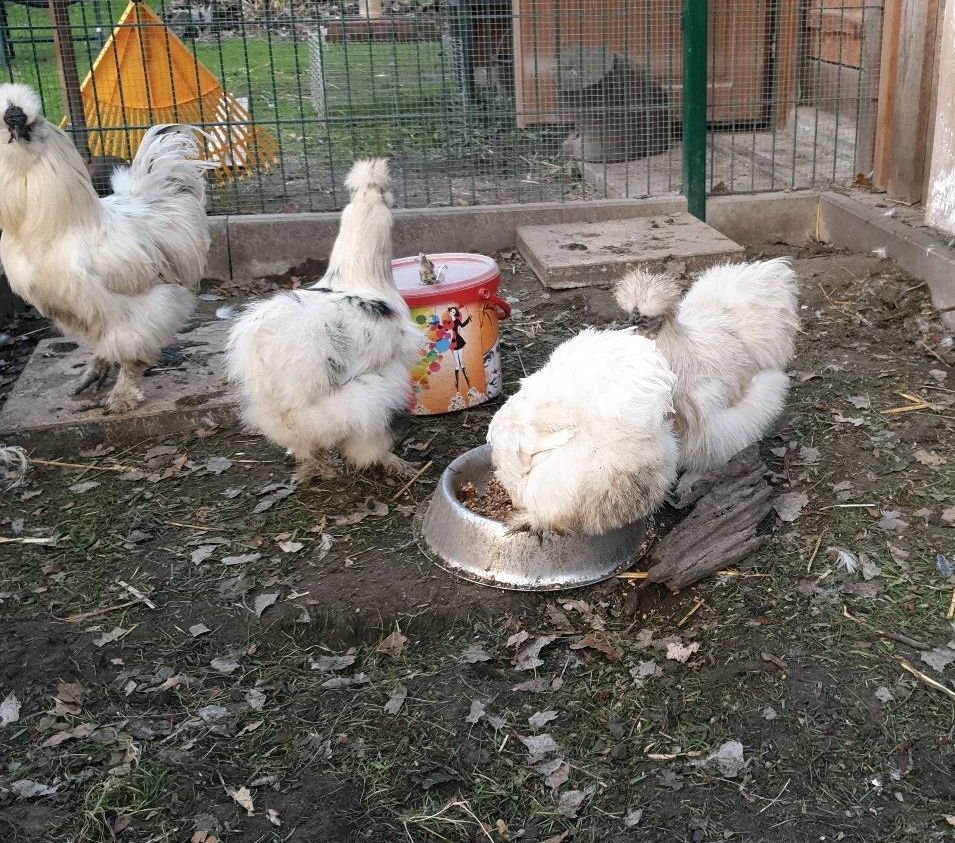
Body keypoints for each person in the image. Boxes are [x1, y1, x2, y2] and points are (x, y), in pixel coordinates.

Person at [447, 305, 472, 392]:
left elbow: (462, 325)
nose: (452, 313)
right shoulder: (448, 322)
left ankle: (468, 382)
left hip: (459, 340)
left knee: (461, 362)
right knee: (457, 364)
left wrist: (468, 319)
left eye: (454, 312)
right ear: (449, 312)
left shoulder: (457, 320)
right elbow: (444, 329)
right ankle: (457, 386)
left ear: (455, 313)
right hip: (453, 342)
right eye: (451, 311)